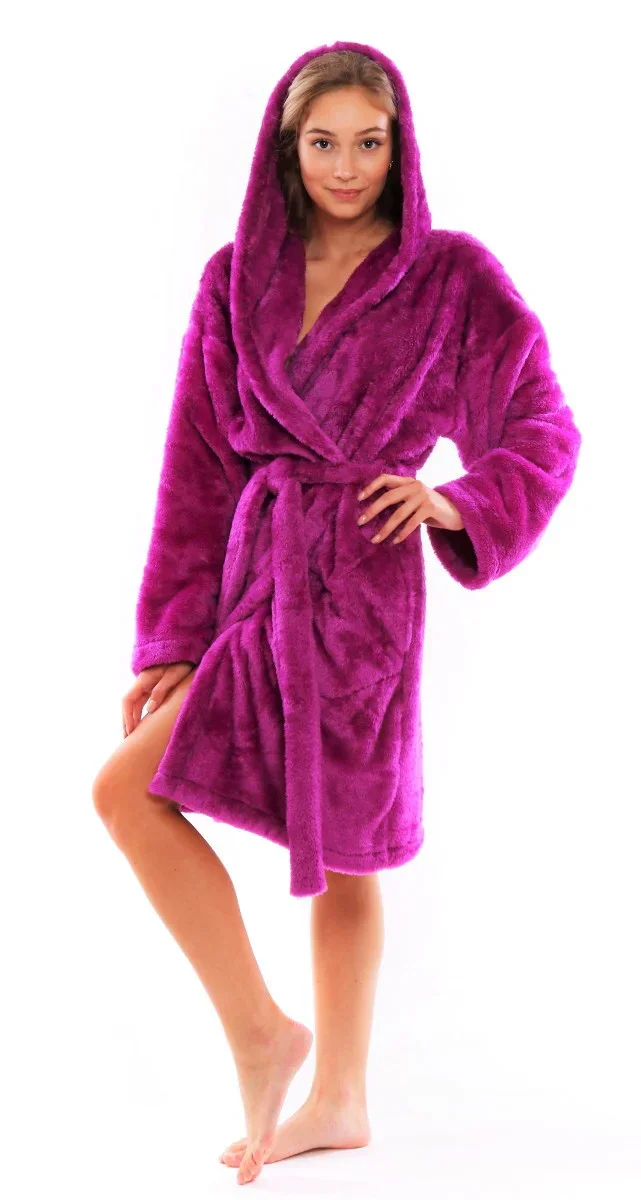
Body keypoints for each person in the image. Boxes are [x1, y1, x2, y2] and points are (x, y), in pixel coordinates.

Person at [93, 41, 581, 1187]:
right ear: (286, 146)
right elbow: (197, 470)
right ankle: (262, 1033)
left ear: (397, 146)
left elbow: (542, 428)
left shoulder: (449, 277)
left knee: (350, 851)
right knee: (126, 792)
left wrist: (455, 500)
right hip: (258, 584)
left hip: (364, 588)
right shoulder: (233, 280)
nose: (347, 167)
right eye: (324, 143)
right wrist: (176, 642)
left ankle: (342, 1100)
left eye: (368, 142)